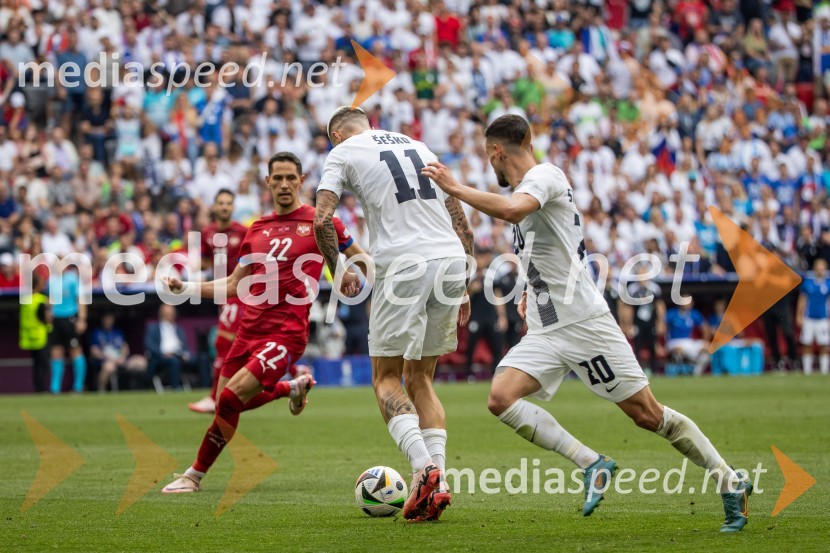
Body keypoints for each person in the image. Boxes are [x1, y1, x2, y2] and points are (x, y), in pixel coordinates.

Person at [422, 114, 752, 533]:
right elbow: (549, 246)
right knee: (501, 397)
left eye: (488, 156)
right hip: (547, 326)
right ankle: (592, 463)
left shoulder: (544, 175)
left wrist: (454, 187)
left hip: (583, 322)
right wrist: (528, 289)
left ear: (496, 151)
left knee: (648, 415)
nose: (489, 164)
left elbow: (511, 210)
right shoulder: (534, 185)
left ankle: (729, 479)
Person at [161, 152, 368, 494]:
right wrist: (187, 288)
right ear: (268, 182)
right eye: (278, 178)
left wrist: (350, 273)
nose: (285, 184)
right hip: (248, 331)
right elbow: (232, 284)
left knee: (227, 399)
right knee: (228, 400)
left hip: (286, 333)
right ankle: (291, 388)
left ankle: (193, 476)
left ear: (301, 181)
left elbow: (358, 255)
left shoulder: (320, 221)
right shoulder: (256, 228)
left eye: (291, 178)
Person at [315, 106, 474, 521]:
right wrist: (465, 281)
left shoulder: (343, 151)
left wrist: (339, 269)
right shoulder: (418, 146)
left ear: (337, 135)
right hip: (451, 260)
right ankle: (439, 480)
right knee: (420, 377)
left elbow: (321, 220)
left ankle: (424, 470)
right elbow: (460, 219)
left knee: (385, 377)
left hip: (404, 263)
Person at [189, 189, 249, 413]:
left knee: (223, 341)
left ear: (233, 208)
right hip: (222, 293)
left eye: (228, 203)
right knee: (235, 343)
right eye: (221, 203)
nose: (224, 207)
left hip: (243, 291)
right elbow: (204, 261)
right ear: (214, 207)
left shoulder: (243, 232)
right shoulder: (207, 233)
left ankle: (216, 397)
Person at [47, 264, 87, 393]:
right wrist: (49, 313)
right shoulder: (51, 280)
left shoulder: (73, 278)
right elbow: (49, 300)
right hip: (56, 319)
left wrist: (82, 319)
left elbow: (81, 299)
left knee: (75, 350)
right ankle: (55, 388)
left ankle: (78, 386)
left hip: (70, 317)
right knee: (56, 352)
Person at [90, 312, 146, 392]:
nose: (108, 321)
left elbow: (125, 347)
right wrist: (109, 359)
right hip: (106, 361)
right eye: (106, 319)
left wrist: (122, 357)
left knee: (141, 361)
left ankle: (140, 389)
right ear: (102, 320)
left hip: (121, 360)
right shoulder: (96, 333)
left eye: (110, 319)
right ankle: (101, 390)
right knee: (109, 367)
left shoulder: (118, 331)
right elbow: (94, 351)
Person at [145, 304, 190, 391]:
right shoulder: (153, 328)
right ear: (161, 315)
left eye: (171, 314)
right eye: (167, 314)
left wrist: (186, 354)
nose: (169, 317)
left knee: (202, 358)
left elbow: (184, 346)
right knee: (173, 361)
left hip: (178, 355)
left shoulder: (179, 329)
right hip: (161, 358)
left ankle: (205, 388)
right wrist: (163, 353)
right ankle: (175, 388)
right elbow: (149, 345)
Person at [19, 272, 52, 393]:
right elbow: (46, 318)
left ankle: (38, 389)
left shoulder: (25, 300)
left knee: (36, 365)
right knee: (42, 365)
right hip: (40, 336)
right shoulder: (41, 300)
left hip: (28, 336)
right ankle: (41, 390)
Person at [797, 258, 830, 375]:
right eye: (818, 266)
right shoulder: (808, 283)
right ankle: (807, 371)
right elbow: (802, 300)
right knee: (807, 343)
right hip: (809, 318)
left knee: (824, 344)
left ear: (825, 269)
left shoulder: (828, 284)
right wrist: (799, 315)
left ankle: (824, 370)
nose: (820, 269)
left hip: (822, 318)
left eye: (822, 266)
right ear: (815, 268)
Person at [665, 300, 710, 376]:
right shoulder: (672, 313)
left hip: (689, 341)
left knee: (707, 348)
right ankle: (681, 372)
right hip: (674, 341)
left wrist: (706, 340)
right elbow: (662, 327)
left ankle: (696, 371)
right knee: (678, 352)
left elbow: (705, 327)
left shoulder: (694, 314)